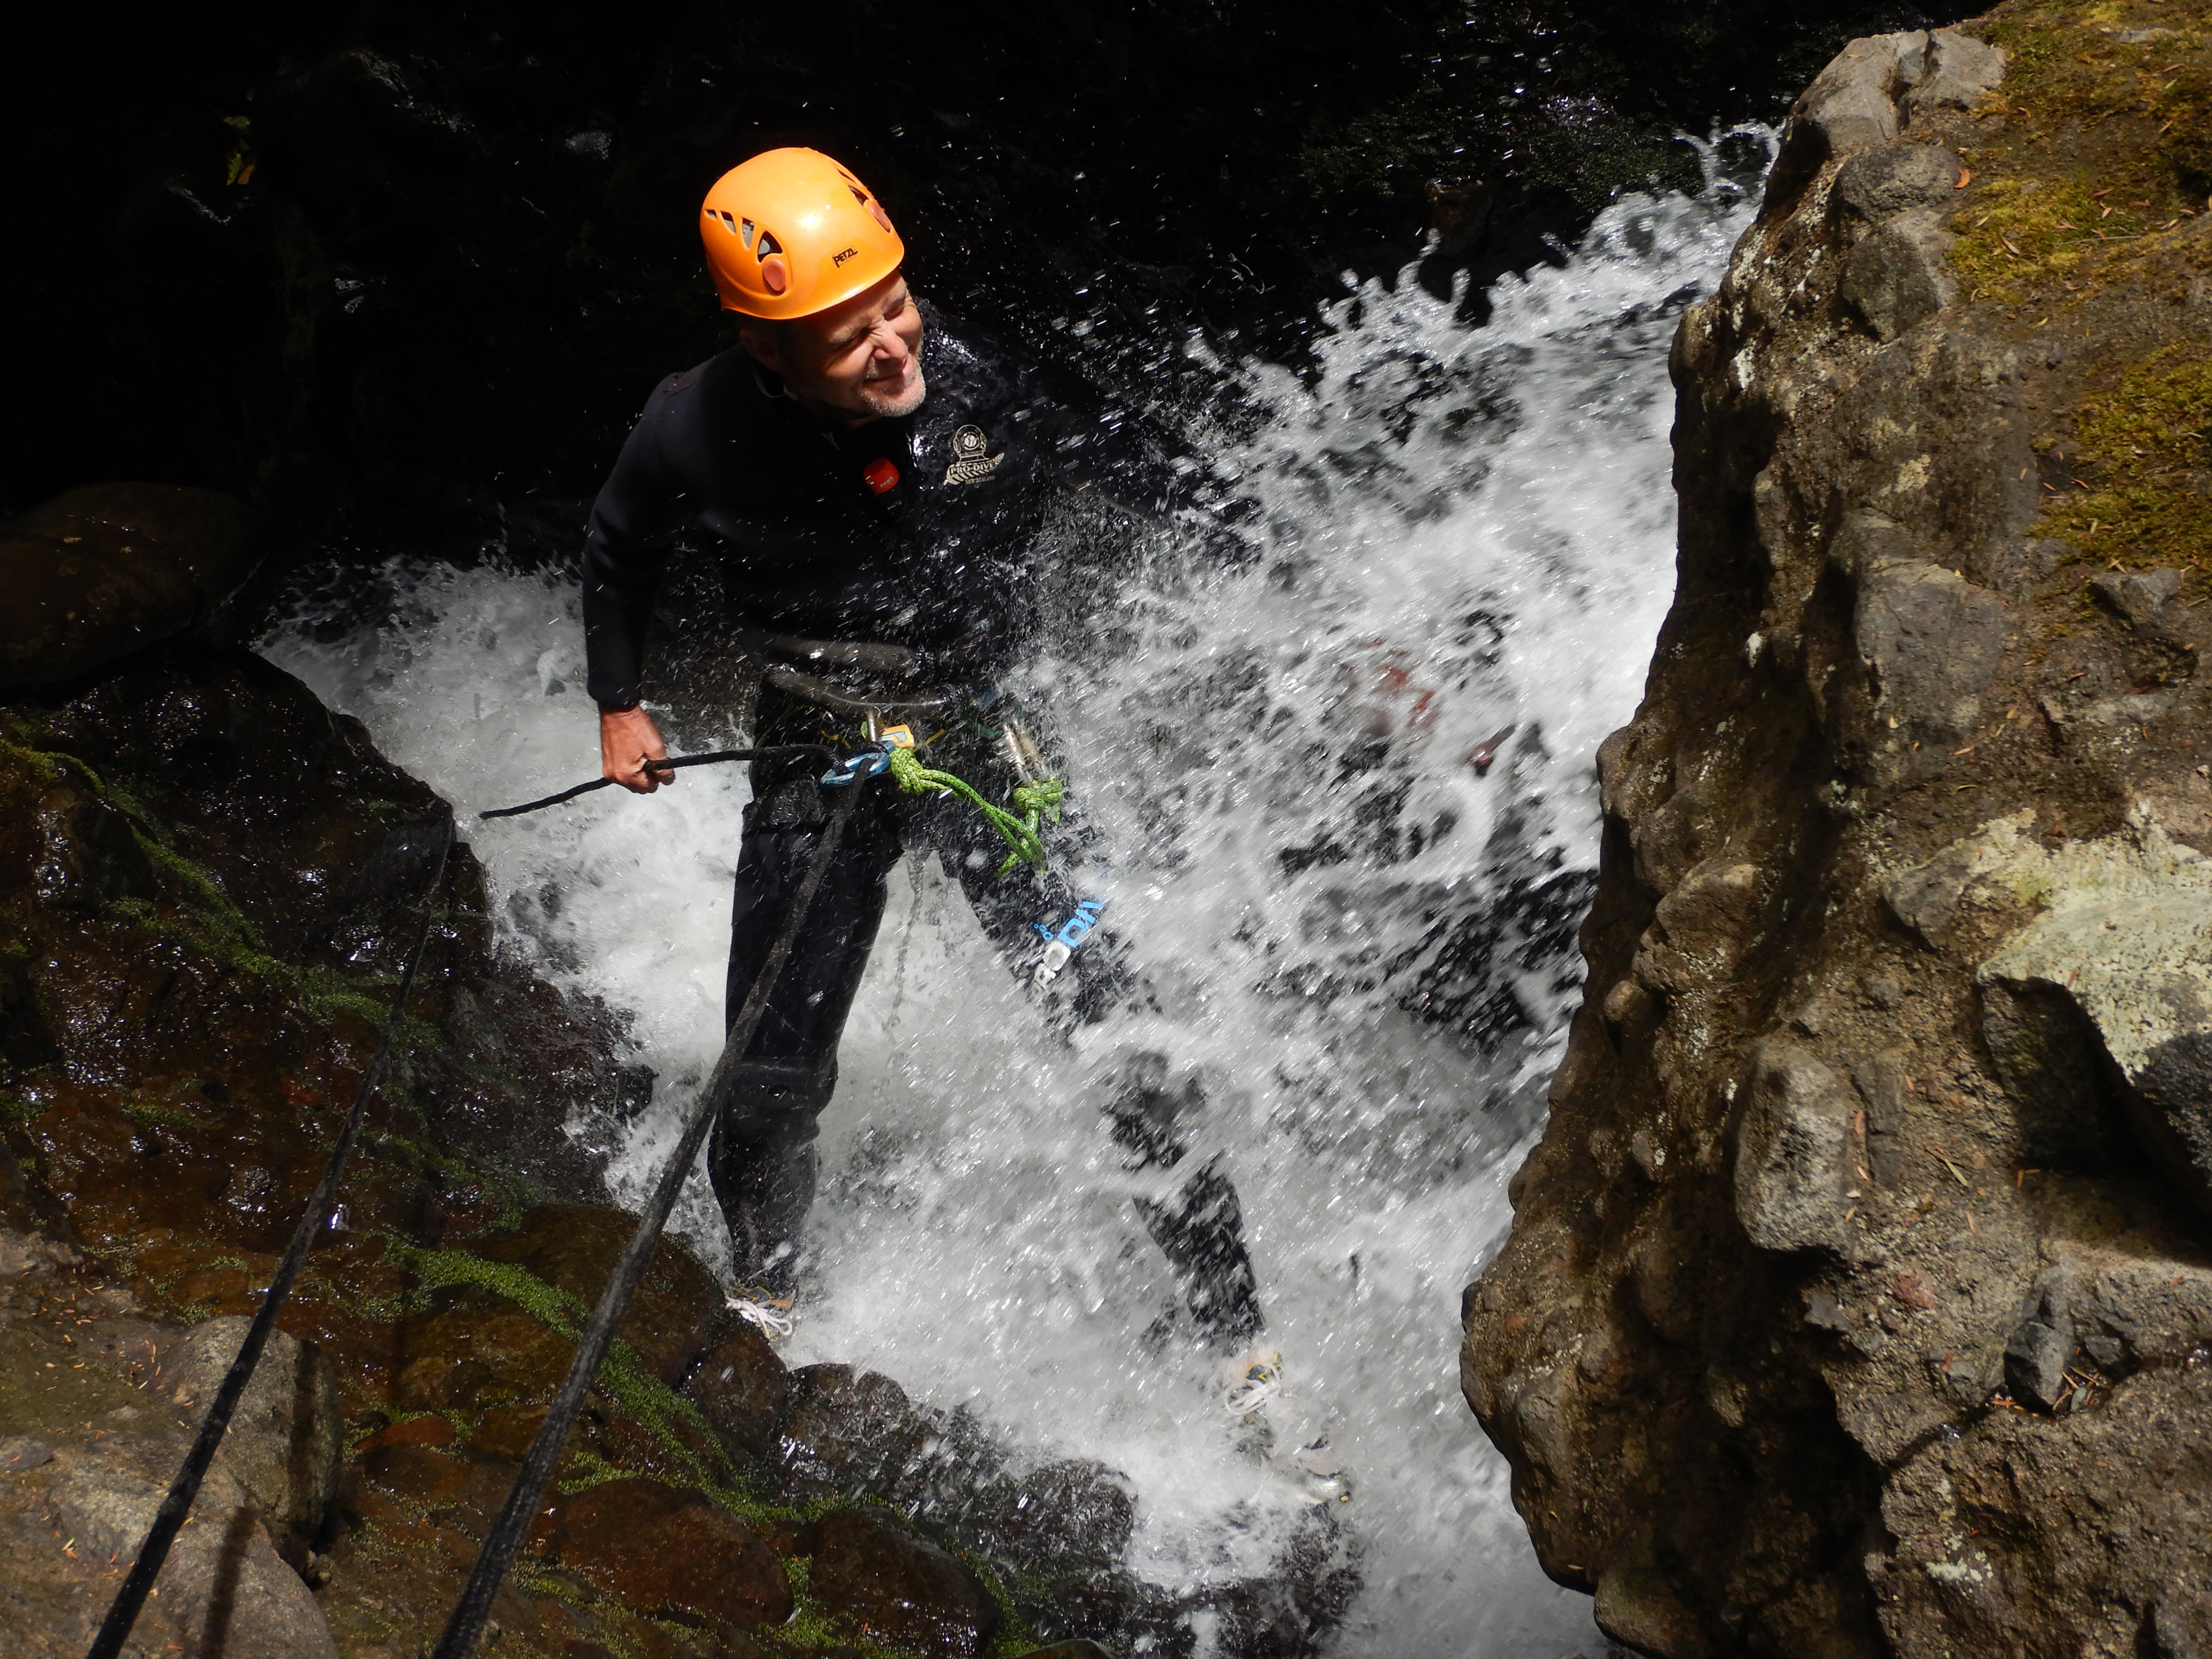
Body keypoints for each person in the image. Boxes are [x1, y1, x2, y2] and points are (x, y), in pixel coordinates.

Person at [577, 148, 1274, 1375]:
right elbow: (621, 543)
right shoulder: (696, 422)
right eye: (847, 337)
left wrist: (1310, 592)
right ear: (767, 350)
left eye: (895, 306)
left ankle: (1234, 1336)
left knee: (1109, 1019)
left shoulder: (985, 386)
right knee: (773, 1062)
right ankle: (768, 1292)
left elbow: (1160, 469)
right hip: (814, 736)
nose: (894, 346)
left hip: (978, 739)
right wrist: (619, 702)